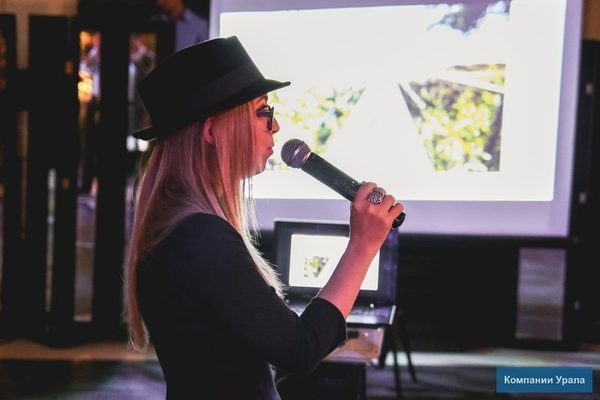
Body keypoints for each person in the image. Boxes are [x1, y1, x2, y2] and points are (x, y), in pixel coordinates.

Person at [125, 36, 404, 399]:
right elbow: (300, 350)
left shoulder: (182, 226)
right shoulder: (200, 237)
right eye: (263, 111)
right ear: (212, 131)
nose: (275, 127)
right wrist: (363, 246)